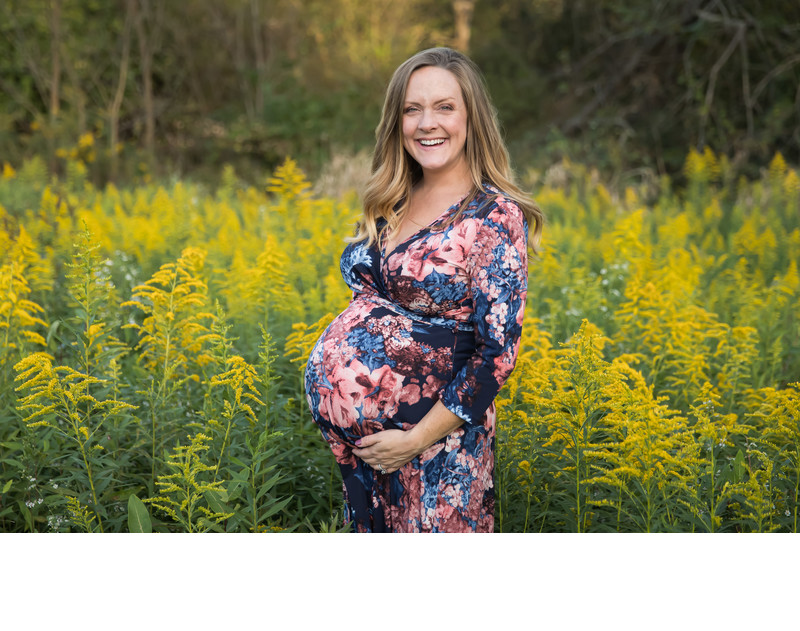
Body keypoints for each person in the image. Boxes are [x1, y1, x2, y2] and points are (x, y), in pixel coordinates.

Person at [304, 47, 543, 532]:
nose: (426, 123)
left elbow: (497, 353)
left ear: (472, 118)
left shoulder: (492, 216)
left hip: (437, 453)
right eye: (412, 109)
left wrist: (413, 440)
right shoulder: (389, 200)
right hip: (367, 460)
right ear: (397, 121)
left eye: (444, 107)